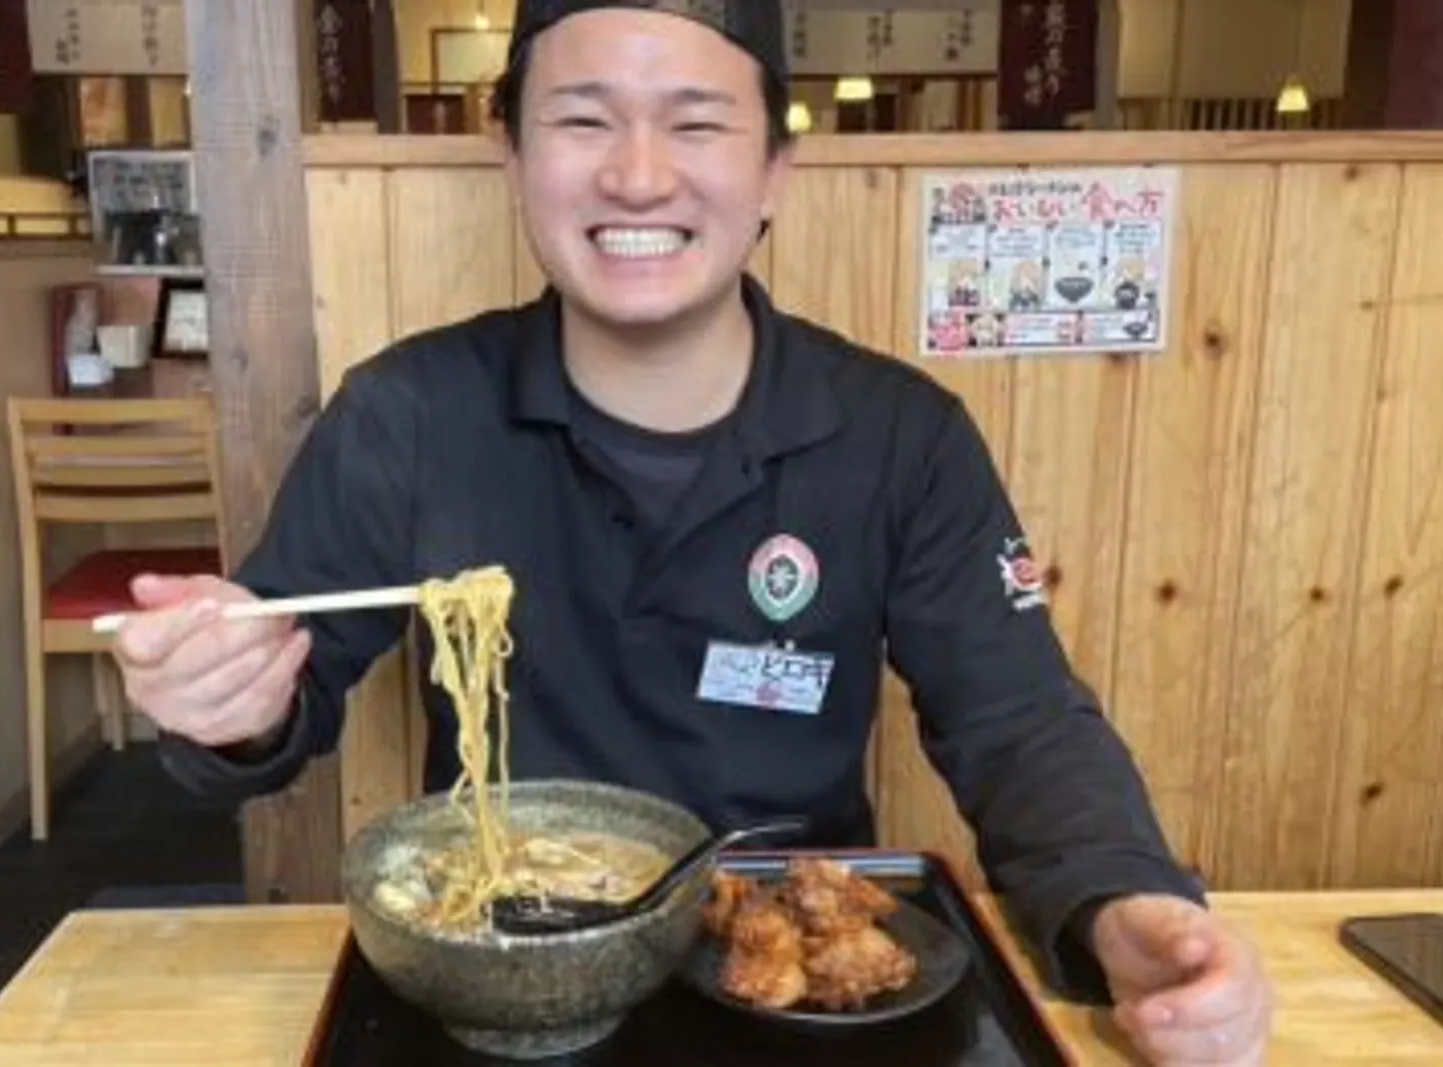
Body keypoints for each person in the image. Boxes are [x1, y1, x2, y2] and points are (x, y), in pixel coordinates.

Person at [111, 2, 1272, 1062]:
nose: (636, 174)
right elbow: (282, 679)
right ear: (512, 157)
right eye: (582, 120)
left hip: (788, 981)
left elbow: (1015, 716)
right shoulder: (408, 412)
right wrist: (229, 698)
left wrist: (1124, 899)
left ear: (773, 172)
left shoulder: (898, 435)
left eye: (696, 123)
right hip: (502, 974)